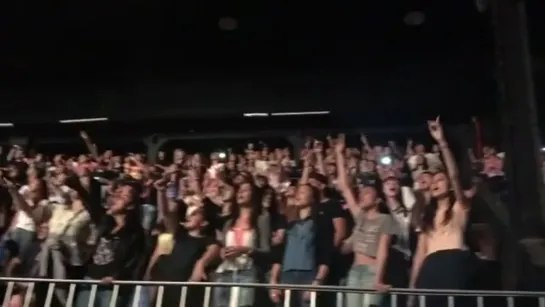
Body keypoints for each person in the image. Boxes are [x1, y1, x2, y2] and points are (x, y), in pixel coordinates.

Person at [409, 118, 474, 307]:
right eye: (434, 181)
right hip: (430, 267)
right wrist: (412, 290)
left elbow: (454, 175)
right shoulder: (427, 216)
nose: (436, 183)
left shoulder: (459, 207)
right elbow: (420, 254)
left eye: (440, 180)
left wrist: (442, 143)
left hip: (453, 262)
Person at [335, 134, 394, 307]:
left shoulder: (385, 219)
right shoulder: (360, 215)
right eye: (362, 192)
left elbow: (383, 250)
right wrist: (339, 154)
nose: (362, 194)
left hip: (372, 271)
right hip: (355, 270)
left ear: (377, 200)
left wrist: (379, 278)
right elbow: (345, 187)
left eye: (368, 193)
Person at [73, 177, 146, 307]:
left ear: (131, 205)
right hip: (90, 279)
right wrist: (76, 181)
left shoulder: (135, 231)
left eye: (125, 195)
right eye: (118, 193)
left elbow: (135, 260)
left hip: (112, 285)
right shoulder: (105, 222)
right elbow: (89, 201)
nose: (118, 196)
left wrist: (117, 276)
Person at [269, 184, 334, 307]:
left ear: (313, 198)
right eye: (298, 192)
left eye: (303, 192)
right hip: (286, 274)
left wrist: (318, 281)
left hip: (309, 274)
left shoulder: (321, 220)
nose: (298, 195)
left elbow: (326, 253)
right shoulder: (287, 221)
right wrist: (273, 280)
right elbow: (278, 253)